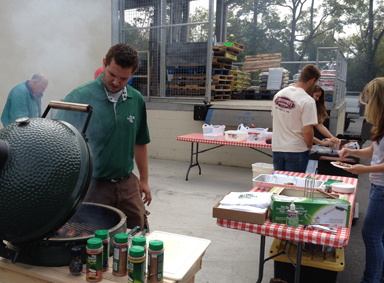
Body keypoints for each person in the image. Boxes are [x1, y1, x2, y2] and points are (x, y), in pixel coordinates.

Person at [55, 43, 151, 230]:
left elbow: (140, 141)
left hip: (127, 184)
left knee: (137, 231)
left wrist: (144, 180)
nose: (116, 82)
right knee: (92, 236)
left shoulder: (136, 99)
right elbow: (58, 140)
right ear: (105, 63)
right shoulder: (80, 96)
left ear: (132, 75)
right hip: (92, 186)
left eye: (123, 78)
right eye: (112, 75)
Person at [339, 78, 384, 283]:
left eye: (368, 102)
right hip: (377, 186)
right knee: (379, 236)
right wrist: (350, 151)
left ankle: (370, 279)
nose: (366, 107)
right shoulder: (381, 124)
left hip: (382, 188)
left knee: (371, 235)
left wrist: (364, 170)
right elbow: (374, 152)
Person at [271, 64, 321, 173]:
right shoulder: (307, 100)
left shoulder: (279, 94)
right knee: (293, 186)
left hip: (277, 148)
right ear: (312, 80)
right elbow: (308, 131)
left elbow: (273, 120)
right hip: (297, 150)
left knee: (279, 185)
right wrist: (309, 146)